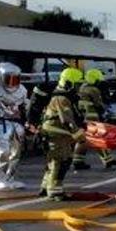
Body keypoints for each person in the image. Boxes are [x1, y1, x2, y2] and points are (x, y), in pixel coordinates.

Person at [39, 68, 87, 200]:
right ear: (68, 83)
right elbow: (66, 119)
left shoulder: (62, 97)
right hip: (56, 133)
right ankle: (55, 191)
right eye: (77, 84)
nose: (78, 88)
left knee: (53, 160)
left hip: (57, 132)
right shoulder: (61, 98)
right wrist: (78, 134)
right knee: (60, 161)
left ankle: (45, 186)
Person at [72, 69, 116, 170]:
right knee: (99, 139)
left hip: (82, 118)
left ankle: (77, 161)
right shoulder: (94, 90)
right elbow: (99, 104)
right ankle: (108, 160)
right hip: (92, 118)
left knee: (83, 140)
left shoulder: (81, 88)